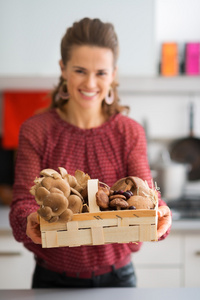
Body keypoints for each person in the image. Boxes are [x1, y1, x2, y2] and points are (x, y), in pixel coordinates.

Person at [9, 17, 172, 288]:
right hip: (52, 280)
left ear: (114, 74)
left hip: (117, 279)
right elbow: (21, 206)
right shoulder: (36, 130)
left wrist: (161, 213)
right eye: (80, 70)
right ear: (63, 69)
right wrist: (29, 220)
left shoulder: (129, 132)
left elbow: (146, 195)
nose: (91, 83)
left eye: (101, 73)